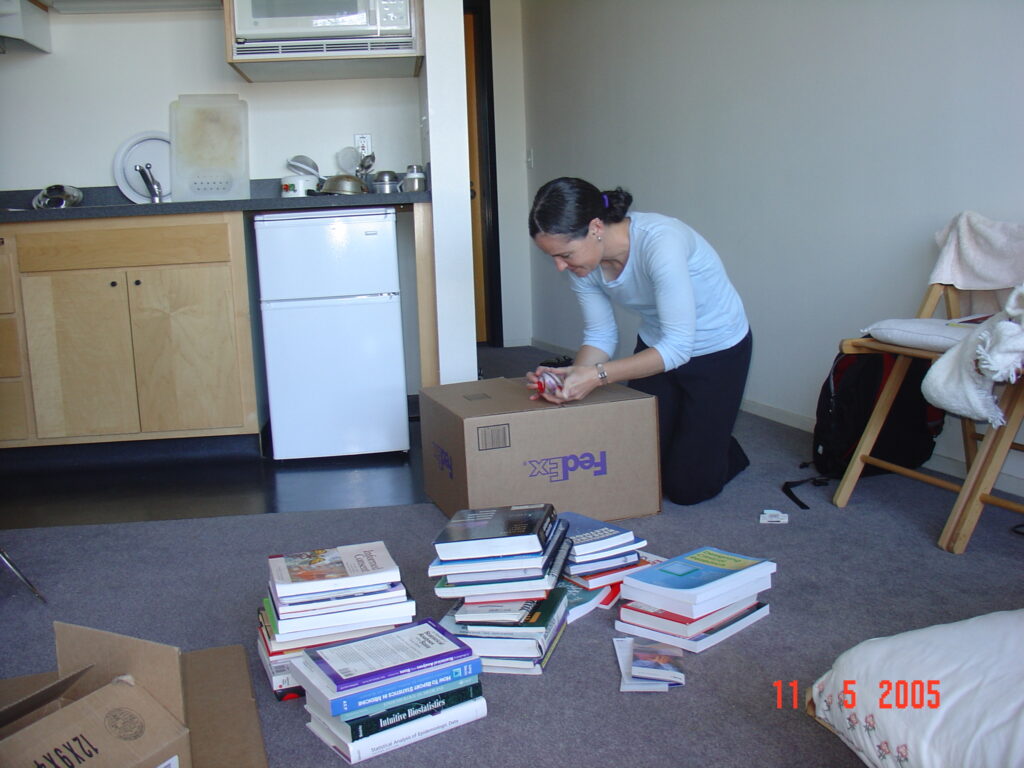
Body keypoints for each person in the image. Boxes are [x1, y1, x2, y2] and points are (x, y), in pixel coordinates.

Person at [526, 177, 752, 505]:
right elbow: (600, 334)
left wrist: (597, 376)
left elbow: (678, 347)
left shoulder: (661, 242)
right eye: (553, 257)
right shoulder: (584, 266)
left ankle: (722, 446)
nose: (560, 266)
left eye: (565, 254)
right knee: (639, 465)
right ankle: (699, 439)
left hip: (717, 351)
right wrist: (574, 376)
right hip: (656, 348)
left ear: (595, 228)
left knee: (687, 488)